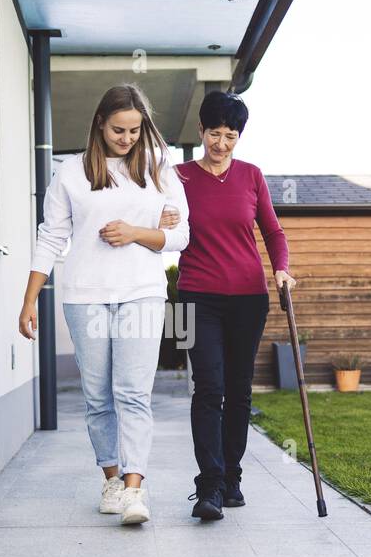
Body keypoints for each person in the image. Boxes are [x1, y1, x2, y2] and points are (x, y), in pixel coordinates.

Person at [18, 84, 189, 525]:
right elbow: (51, 237)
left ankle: (135, 489)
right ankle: (112, 478)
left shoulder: (159, 169)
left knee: (133, 392)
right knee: (98, 397)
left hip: (142, 292)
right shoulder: (71, 173)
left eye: (135, 130)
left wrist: (137, 231)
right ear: (99, 123)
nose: (127, 138)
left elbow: (181, 236)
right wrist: (30, 298)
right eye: (118, 129)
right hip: (85, 296)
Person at [162, 90, 296, 521]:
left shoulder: (251, 176)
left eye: (231, 135)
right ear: (200, 130)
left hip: (249, 297)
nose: (221, 144)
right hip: (195, 296)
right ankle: (210, 487)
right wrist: (158, 220)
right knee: (208, 389)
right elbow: (157, 221)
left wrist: (281, 269)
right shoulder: (177, 176)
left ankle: (233, 478)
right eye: (215, 133)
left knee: (238, 391)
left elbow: (273, 232)